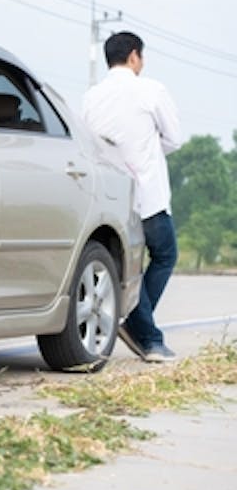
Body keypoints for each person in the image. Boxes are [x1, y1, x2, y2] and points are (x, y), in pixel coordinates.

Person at [82, 31, 183, 363]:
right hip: (146, 193)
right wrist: (150, 149)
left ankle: (139, 326)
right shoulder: (151, 90)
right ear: (135, 56)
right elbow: (175, 138)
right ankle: (144, 331)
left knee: (123, 264)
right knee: (165, 253)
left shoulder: (91, 97)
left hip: (109, 196)